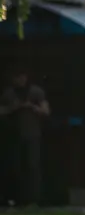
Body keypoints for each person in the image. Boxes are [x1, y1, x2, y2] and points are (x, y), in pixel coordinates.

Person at [0, 68, 50, 207]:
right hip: (13, 135)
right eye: (16, 77)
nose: (19, 80)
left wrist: (32, 107)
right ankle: (15, 198)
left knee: (33, 166)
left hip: (32, 134)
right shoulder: (8, 93)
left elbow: (46, 111)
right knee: (15, 167)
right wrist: (13, 108)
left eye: (21, 76)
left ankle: (34, 200)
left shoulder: (36, 92)